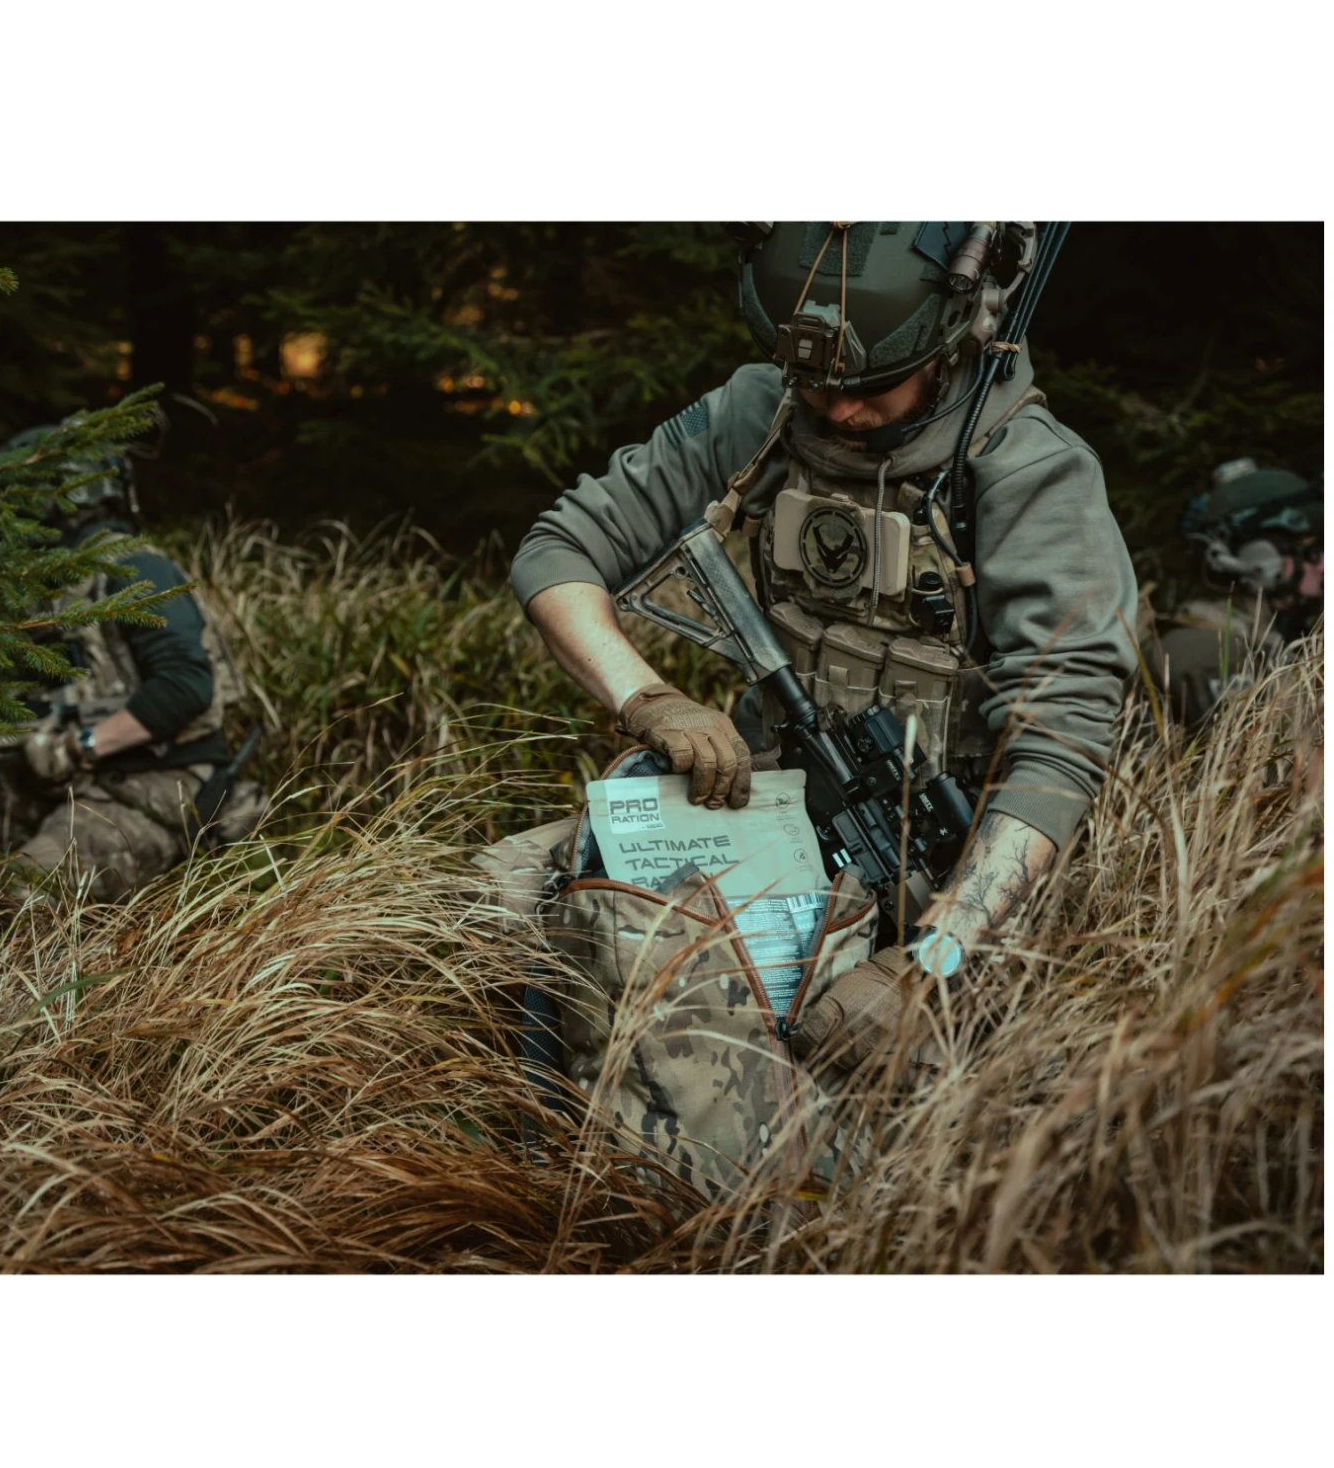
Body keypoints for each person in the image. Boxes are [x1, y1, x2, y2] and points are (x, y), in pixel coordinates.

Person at [510, 221, 1139, 1071]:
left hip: (950, 883)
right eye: (813, 382)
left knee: (727, 1051)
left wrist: (934, 961)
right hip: (761, 812)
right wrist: (647, 698)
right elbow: (559, 551)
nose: (838, 409)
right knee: (497, 907)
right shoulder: (763, 411)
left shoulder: (1030, 473)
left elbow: (1058, 745)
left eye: (872, 385)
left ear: (955, 342)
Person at [0, 423, 262, 902]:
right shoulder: (50, 590)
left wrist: (80, 747)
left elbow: (186, 688)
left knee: (11, 903)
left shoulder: (136, 569)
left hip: (157, 784)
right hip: (65, 780)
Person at [1140, 457, 1322, 729]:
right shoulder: (1208, 654)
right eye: (1314, 552)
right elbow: (1283, 748)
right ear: (1257, 559)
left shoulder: (1261, 639)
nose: (1324, 566)